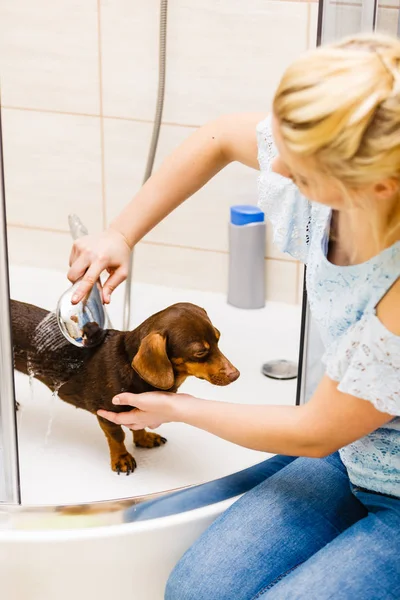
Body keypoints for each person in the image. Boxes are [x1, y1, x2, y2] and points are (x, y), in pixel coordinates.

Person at [68, 33, 400, 599]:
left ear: (376, 187)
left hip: (369, 470)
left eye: (301, 174)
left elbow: (319, 430)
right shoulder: (326, 164)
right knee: (196, 590)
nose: (279, 171)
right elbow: (219, 136)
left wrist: (177, 407)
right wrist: (121, 233)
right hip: (353, 456)